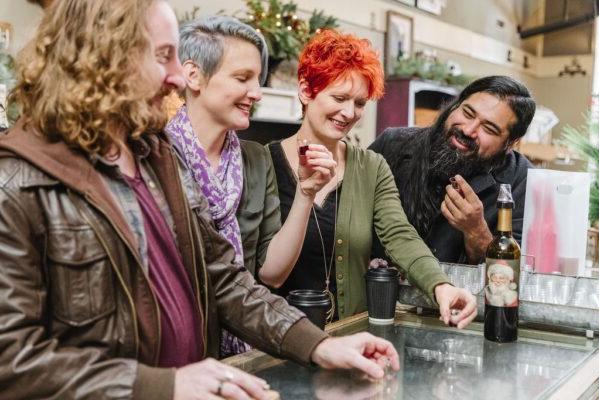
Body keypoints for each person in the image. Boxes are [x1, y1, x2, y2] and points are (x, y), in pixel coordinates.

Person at [0, 2, 400, 399]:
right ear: (101, 57)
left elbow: (222, 277)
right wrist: (164, 385)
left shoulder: (157, 156)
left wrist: (318, 345)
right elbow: (11, 359)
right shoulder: (16, 181)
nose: (178, 76)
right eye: (163, 56)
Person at [265, 29, 477, 328]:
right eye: (339, 97)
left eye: (360, 103)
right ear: (306, 90)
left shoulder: (371, 167)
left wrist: (440, 286)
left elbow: (399, 235)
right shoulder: (262, 163)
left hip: (347, 336)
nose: (349, 112)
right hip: (275, 338)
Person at [166, 16, 335, 356]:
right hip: (176, 350)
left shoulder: (256, 160)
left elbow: (269, 276)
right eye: (243, 78)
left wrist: (306, 193)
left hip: (242, 351)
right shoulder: (157, 157)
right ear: (194, 75)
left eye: (257, 79)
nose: (256, 93)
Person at [370, 76, 536, 265]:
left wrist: (477, 232)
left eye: (489, 128)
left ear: (510, 144)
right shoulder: (392, 145)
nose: (468, 130)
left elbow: (515, 277)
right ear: (455, 105)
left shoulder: (524, 182)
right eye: (467, 112)